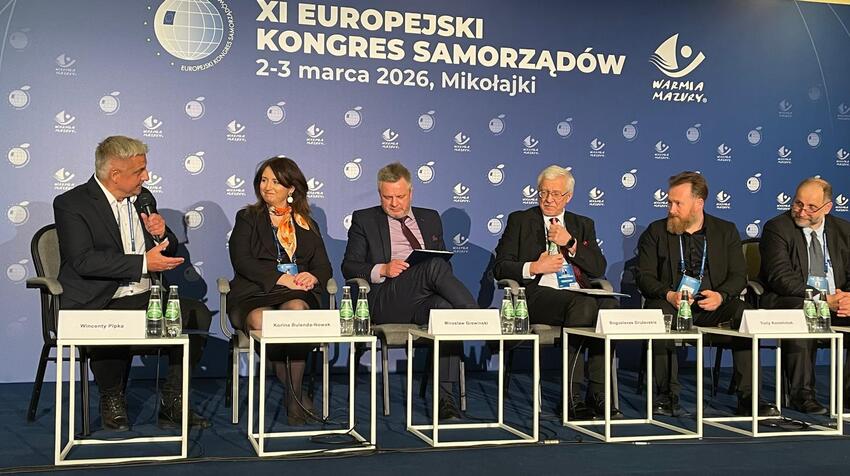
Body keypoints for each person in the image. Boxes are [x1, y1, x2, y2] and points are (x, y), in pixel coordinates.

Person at [54, 135, 211, 431]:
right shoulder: (71, 204)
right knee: (117, 319)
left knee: (195, 314)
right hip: (98, 298)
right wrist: (142, 264)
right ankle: (112, 397)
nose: (146, 176)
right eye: (139, 171)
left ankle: (173, 402)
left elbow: (165, 251)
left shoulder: (144, 198)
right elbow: (83, 260)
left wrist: (162, 233)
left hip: (145, 295)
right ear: (115, 174)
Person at [636, 171, 778, 417]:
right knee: (656, 312)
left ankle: (750, 398)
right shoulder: (656, 232)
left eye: (678, 203)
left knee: (744, 313)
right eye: (669, 202)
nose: (671, 209)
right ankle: (666, 395)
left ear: (698, 203)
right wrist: (669, 295)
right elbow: (644, 276)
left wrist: (721, 296)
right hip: (672, 304)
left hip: (713, 306)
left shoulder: (725, 231)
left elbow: (738, 276)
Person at [341, 162, 476, 419]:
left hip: (423, 298)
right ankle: (478, 319)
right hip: (385, 299)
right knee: (434, 265)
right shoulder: (364, 219)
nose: (394, 203)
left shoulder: (430, 218)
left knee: (445, 310)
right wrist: (382, 268)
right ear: (379, 194)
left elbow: (444, 265)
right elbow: (349, 266)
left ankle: (445, 399)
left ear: (411, 193)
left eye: (400, 196)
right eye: (387, 197)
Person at [493, 165, 621, 419]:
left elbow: (598, 268)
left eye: (555, 194)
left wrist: (570, 243)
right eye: (543, 192)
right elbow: (500, 267)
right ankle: (571, 396)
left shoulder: (582, 224)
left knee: (609, 307)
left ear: (568, 197)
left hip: (577, 292)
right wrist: (534, 267)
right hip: (537, 295)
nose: (548, 199)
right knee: (583, 306)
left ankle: (598, 393)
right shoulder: (520, 221)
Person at [227, 156, 332, 425]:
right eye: (264, 180)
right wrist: (281, 278)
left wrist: (311, 276)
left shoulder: (306, 223)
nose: (268, 187)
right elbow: (242, 261)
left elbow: (323, 266)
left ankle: (292, 398)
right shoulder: (247, 218)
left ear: (291, 188)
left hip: (296, 294)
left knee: (295, 311)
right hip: (254, 293)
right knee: (262, 320)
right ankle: (296, 396)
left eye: (275, 181)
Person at [759, 177, 850, 413]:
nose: (801, 211)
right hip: (791, 300)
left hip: (835, 302)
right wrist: (822, 299)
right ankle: (802, 394)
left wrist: (847, 299)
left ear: (827, 208)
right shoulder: (777, 228)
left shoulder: (844, 231)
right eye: (798, 203)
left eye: (811, 207)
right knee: (803, 309)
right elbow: (781, 278)